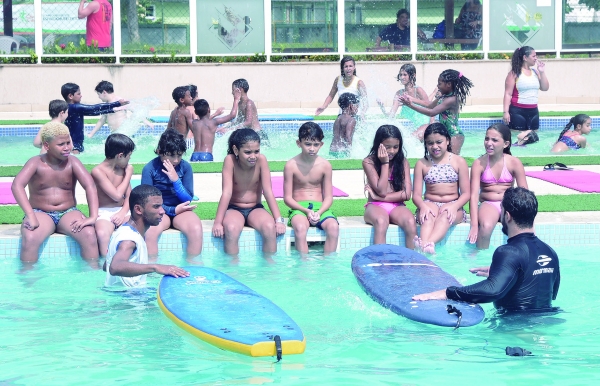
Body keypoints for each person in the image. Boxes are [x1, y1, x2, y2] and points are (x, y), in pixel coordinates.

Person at [413, 187, 561, 314]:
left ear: (507, 216)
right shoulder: (550, 252)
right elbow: (550, 293)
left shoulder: (508, 252)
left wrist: (448, 292)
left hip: (514, 332)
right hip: (545, 323)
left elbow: (492, 291)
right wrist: (511, 273)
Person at [11, 123, 99, 264]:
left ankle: (92, 276)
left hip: (68, 212)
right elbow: (17, 186)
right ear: (47, 146)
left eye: (68, 142)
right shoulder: (35, 163)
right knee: (30, 238)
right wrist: (30, 215)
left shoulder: (73, 162)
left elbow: (90, 186)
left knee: (89, 234)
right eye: (61, 144)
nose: (67, 148)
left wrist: (93, 216)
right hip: (40, 213)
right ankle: (28, 281)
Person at [212, 129, 286, 257]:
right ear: (236, 150)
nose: (253, 156)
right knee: (231, 228)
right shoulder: (230, 161)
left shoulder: (262, 160)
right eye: (247, 152)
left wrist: (278, 220)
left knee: (269, 227)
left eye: (256, 151)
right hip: (234, 208)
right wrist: (218, 222)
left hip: (255, 208)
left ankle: (270, 269)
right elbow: (226, 193)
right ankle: (232, 269)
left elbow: (268, 191)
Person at [105, 184, 190, 288]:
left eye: (161, 206)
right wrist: (156, 267)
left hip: (120, 296)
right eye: (156, 206)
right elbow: (115, 267)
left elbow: (106, 265)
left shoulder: (122, 230)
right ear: (138, 209)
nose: (162, 211)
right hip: (128, 301)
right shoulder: (129, 240)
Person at [141, 129, 203, 258]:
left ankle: (194, 268)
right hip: (158, 211)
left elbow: (188, 198)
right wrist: (173, 210)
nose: (175, 160)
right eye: (171, 155)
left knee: (195, 229)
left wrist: (176, 180)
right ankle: (152, 270)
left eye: (179, 155)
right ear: (160, 152)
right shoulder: (150, 168)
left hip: (182, 210)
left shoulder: (185, 167)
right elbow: (147, 201)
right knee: (151, 232)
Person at [412, 123, 470, 254]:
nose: (435, 146)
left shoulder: (458, 161)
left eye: (439, 142)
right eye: (430, 143)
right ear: (425, 144)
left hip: (454, 204)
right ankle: (426, 248)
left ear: (447, 141)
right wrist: (423, 206)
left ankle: (425, 244)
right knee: (427, 217)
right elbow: (415, 195)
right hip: (430, 203)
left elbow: (466, 193)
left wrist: (454, 206)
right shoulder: (422, 163)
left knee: (445, 217)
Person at [468, 124, 527, 249]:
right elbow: (473, 195)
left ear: (506, 144)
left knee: (519, 230)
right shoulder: (479, 163)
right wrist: (473, 225)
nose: (489, 143)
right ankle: (481, 258)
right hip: (489, 204)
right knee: (486, 227)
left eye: (494, 140)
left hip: (509, 204)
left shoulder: (514, 162)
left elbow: (524, 193)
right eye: (487, 139)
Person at [284, 122, 339, 254]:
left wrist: (319, 212)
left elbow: (329, 197)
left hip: (321, 208)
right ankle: (304, 266)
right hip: (299, 209)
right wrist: (306, 211)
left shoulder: (325, 165)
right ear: (299, 143)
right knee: (301, 227)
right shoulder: (291, 165)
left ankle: (328, 265)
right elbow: (287, 198)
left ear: (321, 144)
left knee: (333, 227)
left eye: (316, 144)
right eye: (307, 144)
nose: (312, 148)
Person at [363, 125, 417, 248]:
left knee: (410, 221)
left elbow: (407, 194)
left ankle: (412, 262)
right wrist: (385, 163)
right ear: (379, 145)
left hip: (396, 206)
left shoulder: (403, 162)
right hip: (375, 206)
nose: (392, 151)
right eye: (387, 147)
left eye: (395, 147)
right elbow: (381, 190)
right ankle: (381, 263)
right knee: (381, 222)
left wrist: (379, 197)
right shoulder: (369, 162)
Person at [400, 69, 474, 155]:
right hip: (445, 134)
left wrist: (410, 105)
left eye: (440, 83)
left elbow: (432, 112)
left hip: (455, 135)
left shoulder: (452, 99)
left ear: (449, 85)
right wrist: (411, 100)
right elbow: (429, 105)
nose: (437, 86)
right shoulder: (444, 96)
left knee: (452, 161)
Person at [91, 133, 135, 258]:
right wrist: (128, 175)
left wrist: (122, 212)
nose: (129, 161)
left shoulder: (121, 168)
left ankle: (131, 260)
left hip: (123, 210)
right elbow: (116, 195)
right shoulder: (98, 171)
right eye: (129, 157)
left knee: (136, 228)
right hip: (103, 212)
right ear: (120, 155)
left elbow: (129, 196)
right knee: (102, 234)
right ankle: (107, 263)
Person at [61, 82, 127, 154]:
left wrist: (112, 110)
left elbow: (94, 112)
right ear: (70, 96)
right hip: (74, 144)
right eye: (79, 94)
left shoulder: (73, 107)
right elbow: (93, 108)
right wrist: (117, 104)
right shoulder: (74, 107)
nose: (81, 95)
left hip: (77, 143)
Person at [503, 46, 549, 146]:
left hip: (533, 111)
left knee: (533, 139)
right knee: (517, 138)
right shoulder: (514, 73)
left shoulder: (536, 72)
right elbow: (508, 93)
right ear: (525, 57)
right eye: (534, 56)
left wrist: (542, 71)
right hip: (517, 112)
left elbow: (545, 88)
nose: (536, 58)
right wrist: (506, 112)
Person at [376, 63, 432, 139]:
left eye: (405, 75)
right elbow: (391, 116)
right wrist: (382, 108)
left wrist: (411, 100)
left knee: (413, 138)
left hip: (423, 124)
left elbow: (429, 105)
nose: (402, 77)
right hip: (408, 125)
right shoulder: (399, 93)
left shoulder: (418, 90)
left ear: (413, 75)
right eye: (400, 74)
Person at [87, 80, 154, 138]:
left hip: (125, 134)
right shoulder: (106, 105)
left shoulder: (120, 101)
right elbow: (102, 120)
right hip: (115, 135)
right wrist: (91, 134)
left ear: (104, 92)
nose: (99, 97)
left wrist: (146, 121)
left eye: (99, 94)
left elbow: (136, 111)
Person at [190, 88, 241, 162]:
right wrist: (236, 99)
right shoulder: (214, 122)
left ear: (196, 112)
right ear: (209, 110)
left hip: (194, 154)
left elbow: (203, 121)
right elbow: (232, 115)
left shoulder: (194, 123)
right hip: (206, 154)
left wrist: (215, 114)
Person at [221, 79, 270, 146]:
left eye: (233, 90)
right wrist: (224, 127)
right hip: (252, 135)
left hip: (259, 135)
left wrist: (230, 129)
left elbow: (248, 122)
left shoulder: (249, 103)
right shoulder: (240, 103)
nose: (232, 92)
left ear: (240, 90)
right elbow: (239, 121)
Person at [329, 93, 358, 158]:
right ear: (351, 105)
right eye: (356, 105)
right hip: (342, 151)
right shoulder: (351, 120)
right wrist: (350, 152)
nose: (357, 108)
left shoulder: (338, 119)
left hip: (332, 149)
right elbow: (348, 136)